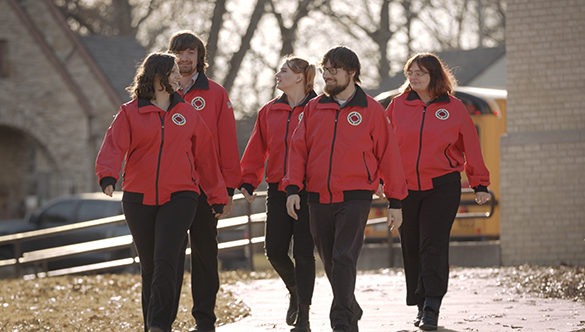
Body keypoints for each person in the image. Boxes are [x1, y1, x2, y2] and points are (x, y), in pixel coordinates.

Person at [95, 52, 228, 332]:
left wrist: (217, 196)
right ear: (158, 77)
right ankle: (154, 325)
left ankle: (158, 326)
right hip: (138, 199)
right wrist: (107, 174)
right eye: (173, 74)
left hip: (180, 196)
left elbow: (206, 158)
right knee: (151, 266)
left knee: (166, 259)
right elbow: (113, 145)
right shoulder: (130, 112)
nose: (179, 78)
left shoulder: (188, 113)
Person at [283, 46, 408, 332]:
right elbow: (298, 149)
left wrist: (396, 200)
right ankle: (350, 304)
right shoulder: (313, 108)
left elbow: (389, 155)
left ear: (352, 73)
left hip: (355, 196)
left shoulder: (372, 110)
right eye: (325, 69)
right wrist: (292, 188)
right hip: (317, 196)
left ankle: (340, 321)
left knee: (343, 257)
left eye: (334, 70)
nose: (327, 75)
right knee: (330, 260)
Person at [385, 52, 491, 331]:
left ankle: (432, 305)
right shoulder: (396, 106)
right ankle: (420, 304)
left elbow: (471, 145)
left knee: (432, 243)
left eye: (420, 72)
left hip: (442, 186)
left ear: (434, 75)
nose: (414, 77)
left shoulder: (453, 107)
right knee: (411, 245)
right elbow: (382, 146)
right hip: (406, 188)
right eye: (410, 72)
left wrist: (480, 183)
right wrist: (381, 180)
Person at [167, 31, 241, 332]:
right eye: (180, 53)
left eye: (191, 53)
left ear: (200, 58)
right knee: (167, 257)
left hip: (205, 191)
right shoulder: (160, 91)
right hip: (168, 190)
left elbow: (227, 142)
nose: (185, 59)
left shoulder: (215, 93)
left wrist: (228, 189)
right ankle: (162, 320)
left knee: (205, 256)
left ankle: (205, 320)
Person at [240, 57, 317, 332]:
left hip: (310, 191)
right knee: (273, 250)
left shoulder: (318, 109)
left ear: (300, 77)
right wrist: (248, 180)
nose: (277, 74)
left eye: (284, 70)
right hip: (277, 188)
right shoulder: (269, 111)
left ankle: (305, 316)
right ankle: (295, 290)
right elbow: (256, 148)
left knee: (305, 253)